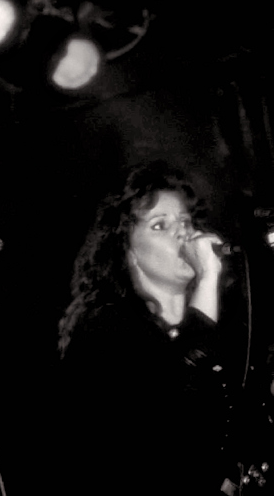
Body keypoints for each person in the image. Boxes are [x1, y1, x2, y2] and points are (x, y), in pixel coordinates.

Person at [54, 161, 233, 496]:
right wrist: (208, 279)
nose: (183, 233)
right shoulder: (105, 329)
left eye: (185, 221)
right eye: (160, 225)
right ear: (127, 249)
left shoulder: (223, 323)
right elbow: (171, 400)